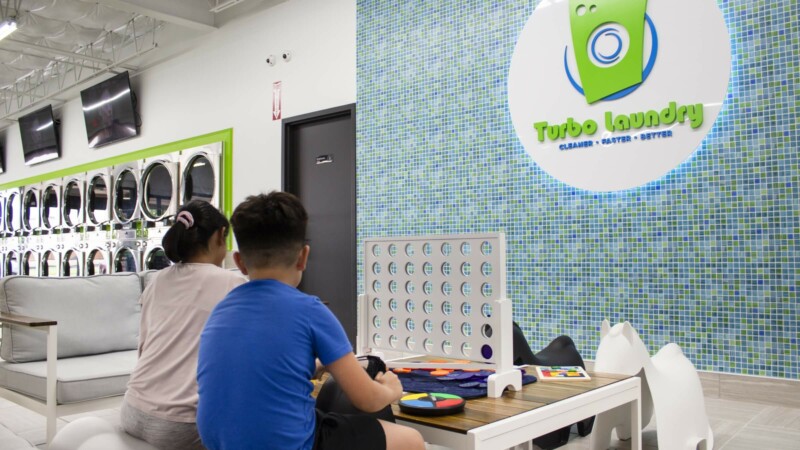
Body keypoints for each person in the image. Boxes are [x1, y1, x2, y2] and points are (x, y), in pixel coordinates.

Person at [197, 192, 424, 450]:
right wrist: (391, 389)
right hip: (288, 445)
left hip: (220, 444)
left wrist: (313, 365)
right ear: (304, 257)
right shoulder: (310, 310)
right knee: (410, 440)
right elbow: (368, 400)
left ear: (239, 262)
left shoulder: (221, 309)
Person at [121, 200, 246, 450]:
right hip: (181, 425)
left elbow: (143, 347)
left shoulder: (157, 280)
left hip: (132, 409)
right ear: (220, 236)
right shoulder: (232, 284)